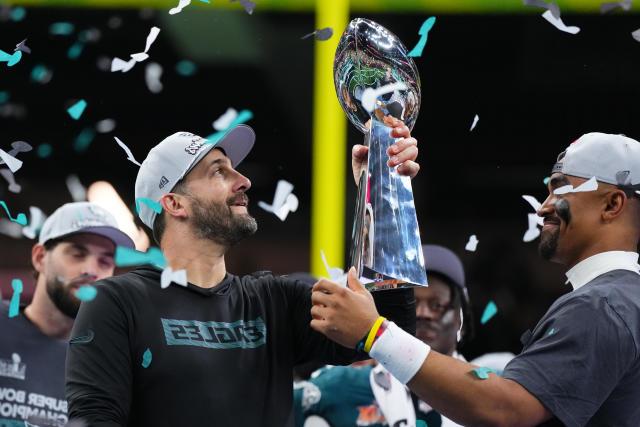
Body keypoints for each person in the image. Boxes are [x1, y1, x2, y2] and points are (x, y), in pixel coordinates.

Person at [65, 119, 421, 427]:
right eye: (219, 171)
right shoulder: (117, 303)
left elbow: (395, 326)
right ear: (174, 203)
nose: (244, 180)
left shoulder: (274, 301)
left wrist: (383, 194)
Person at [309, 132, 640, 426]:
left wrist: (374, 333)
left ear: (612, 204)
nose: (543, 208)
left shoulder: (601, 306)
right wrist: (382, 193)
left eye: (560, 189)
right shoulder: (621, 301)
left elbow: (504, 409)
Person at [295, 245, 512, 427]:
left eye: (437, 305)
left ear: (460, 320)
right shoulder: (335, 389)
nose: (423, 314)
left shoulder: (499, 390)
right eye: (412, 303)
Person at [0, 202, 134, 427]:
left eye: (105, 261)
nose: (91, 270)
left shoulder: (115, 364)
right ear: (40, 258)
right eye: (78, 253)